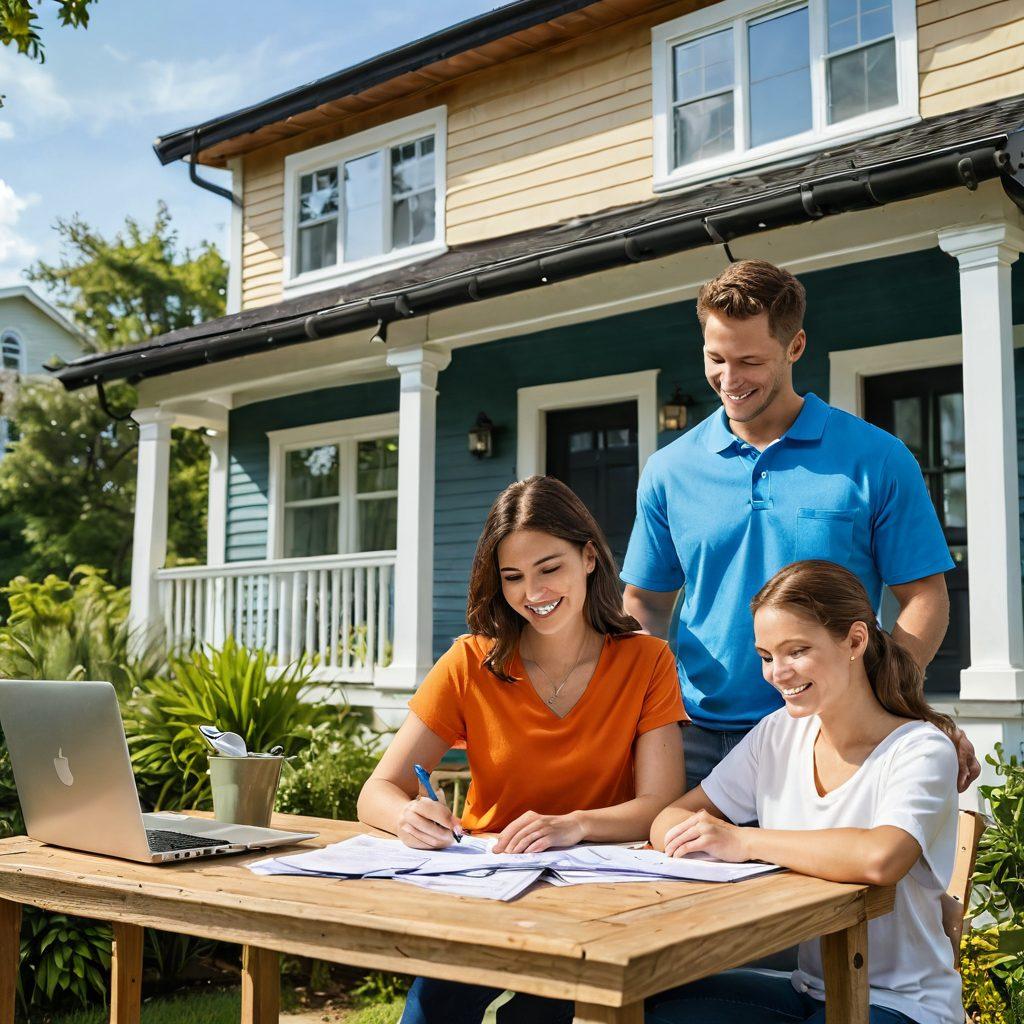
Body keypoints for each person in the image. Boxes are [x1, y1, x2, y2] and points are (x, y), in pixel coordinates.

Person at [620, 258, 979, 793]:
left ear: (796, 347)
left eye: (750, 361)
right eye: (715, 358)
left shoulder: (876, 458)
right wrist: (647, 711)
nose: (729, 380)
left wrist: (889, 701)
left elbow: (925, 597)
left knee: (825, 878)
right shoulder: (670, 469)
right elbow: (645, 604)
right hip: (692, 739)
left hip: (826, 734)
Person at [358, 474, 687, 1024]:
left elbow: (660, 805)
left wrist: (573, 825)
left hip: (596, 904)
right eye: (512, 577)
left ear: (588, 558)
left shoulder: (646, 660)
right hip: (485, 892)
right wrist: (406, 817)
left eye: (549, 568)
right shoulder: (470, 661)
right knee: (430, 1013)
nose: (532, 594)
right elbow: (378, 790)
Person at [646, 559, 963, 1024]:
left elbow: (881, 857)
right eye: (766, 655)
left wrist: (743, 841)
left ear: (855, 640)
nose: (777, 672)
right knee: (654, 1004)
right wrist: (695, 836)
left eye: (797, 651)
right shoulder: (777, 735)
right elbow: (668, 820)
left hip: (903, 1003)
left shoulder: (920, 750)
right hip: (813, 989)